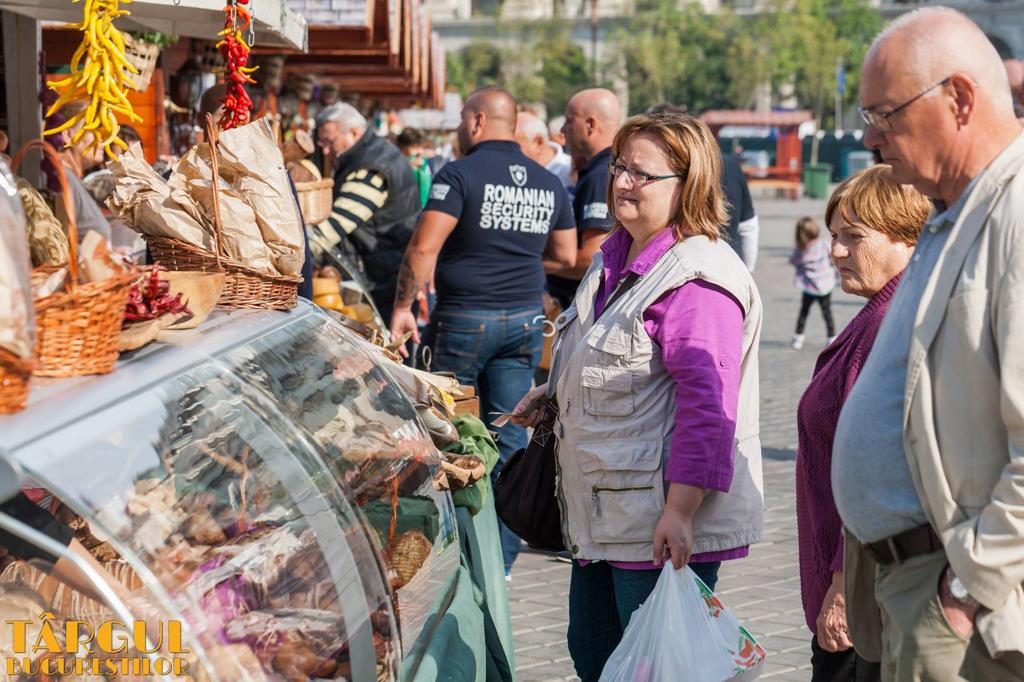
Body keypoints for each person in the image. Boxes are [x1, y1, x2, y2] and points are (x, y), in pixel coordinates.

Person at [512, 113, 763, 681]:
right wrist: (555, 392)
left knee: (651, 669)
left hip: (654, 525)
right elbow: (618, 361)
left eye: (641, 174)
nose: (622, 182)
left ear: (688, 184)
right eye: (619, 167)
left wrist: (680, 512)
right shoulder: (615, 256)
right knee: (594, 655)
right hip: (605, 513)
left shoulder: (697, 279)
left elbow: (708, 411)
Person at [832, 8, 1024, 679]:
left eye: (885, 114)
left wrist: (971, 584)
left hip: (962, 600)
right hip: (915, 581)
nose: (869, 137)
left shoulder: (1014, 213)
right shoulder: (954, 209)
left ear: (960, 99)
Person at [389, 86, 577, 578]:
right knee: (510, 430)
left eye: (460, 120)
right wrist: (514, 256)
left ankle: (456, 555)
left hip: (465, 319)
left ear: (475, 122)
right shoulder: (546, 182)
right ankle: (501, 559)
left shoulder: (459, 174)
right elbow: (564, 254)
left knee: (448, 432)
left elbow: (424, 248)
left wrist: (403, 306)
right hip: (524, 320)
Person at [795, 165, 930, 682]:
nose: (835, 251)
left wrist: (842, 587)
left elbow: (879, 470)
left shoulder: (890, 324)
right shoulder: (878, 312)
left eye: (854, 236)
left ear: (906, 237)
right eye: (834, 236)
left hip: (864, 589)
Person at [310, 102, 420, 319]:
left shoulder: (371, 167)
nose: (325, 150)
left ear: (353, 132)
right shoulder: (374, 153)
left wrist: (299, 251)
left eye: (330, 141)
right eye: (322, 143)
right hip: (384, 276)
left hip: (381, 284)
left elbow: (337, 224)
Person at [647, 103, 760, 270]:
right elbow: (748, 226)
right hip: (725, 262)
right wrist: (746, 270)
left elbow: (748, 225)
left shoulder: (661, 170)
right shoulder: (729, 164)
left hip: (675, 265)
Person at [546, 88, 620, 309]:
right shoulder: (604, 168)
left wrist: (531, 264)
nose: (562, 130)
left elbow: (592, 257)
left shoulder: (600, 175)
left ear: (590, 125)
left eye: (569, 120)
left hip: (580, 304)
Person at [789, 217, 838, 349]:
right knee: (827, 313)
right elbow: (833, 258)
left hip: (809, 286)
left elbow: (793, 261)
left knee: (804, 312)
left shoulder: (800, 250)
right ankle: (831, 337)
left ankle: (798, 337)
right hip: (825, 285)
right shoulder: (824, 244)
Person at [514, 110, 573, 192]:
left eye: (513, 145)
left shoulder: (570, 170)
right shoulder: (512, 173)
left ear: (539, 142)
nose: (508, 150)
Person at [396, 127, 433, 208]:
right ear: (402, 147)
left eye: (420, 147)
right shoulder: (394, 162)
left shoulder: (423, 162)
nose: (420, 151)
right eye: (415, 147)